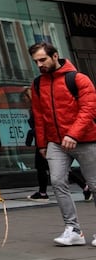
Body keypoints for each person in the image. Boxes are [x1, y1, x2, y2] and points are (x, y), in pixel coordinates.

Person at [27, 41, 96, 246]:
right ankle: (73, 230)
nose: (39, 65)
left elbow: (89, 109)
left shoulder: (78, 79)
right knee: (57, 182)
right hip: (55, 143)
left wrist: (73, 134)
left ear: (55, 56)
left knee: (94, 184)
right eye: (36, 61)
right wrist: (41, 144)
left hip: (85, 139)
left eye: (43, 59)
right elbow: (39, 117)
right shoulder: (38, 84)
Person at [25, 86, 91, 202]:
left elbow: (42, 124)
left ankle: (43, 193)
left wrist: (35, 137)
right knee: (51, 169)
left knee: (50, 169)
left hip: (47, 141)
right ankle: (83, 187)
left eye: (25, 97)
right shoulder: (37, 107)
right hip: (45, 141)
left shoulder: (40, 107)